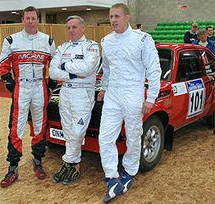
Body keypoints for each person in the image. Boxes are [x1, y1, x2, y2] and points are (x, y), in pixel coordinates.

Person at [97, 3, 161, 203]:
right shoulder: (106, 41)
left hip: (133, 93)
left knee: (133, 135)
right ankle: (111, 175)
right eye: (110, 16)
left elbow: (154, 69)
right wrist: (103, 88)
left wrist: (151, 97)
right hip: (113, 95)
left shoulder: (142, 39)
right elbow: (106, 68)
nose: (113, 20)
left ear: (127, 17)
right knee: (105, 137)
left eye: (116, 16)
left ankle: (129, 171)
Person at [0, 6, 56, 188]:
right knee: (16, 127)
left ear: (37, 20)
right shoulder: (11, 40)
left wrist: (50, 85)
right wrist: (10, 84)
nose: (30, 21)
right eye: (27, 18)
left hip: (39, 87)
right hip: (21, 87)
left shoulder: (48, 41)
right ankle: (13, 166)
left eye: (33, 18)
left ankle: (38, 161)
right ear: (22, 20)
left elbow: (54, 66)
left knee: (40, 125)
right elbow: (3, 65)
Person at [49, 15, 100, 185]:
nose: (71, 30)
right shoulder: (63, 47)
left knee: (78, 132)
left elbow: (87, 68)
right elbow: (52, 73)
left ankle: (67, 161)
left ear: (83, 28)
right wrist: (73, 73)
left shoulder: (91, 46)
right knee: (69, 131)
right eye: (69, 27)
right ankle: (74, 164)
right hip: (65, 93)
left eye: (74, 27)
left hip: (82, 95)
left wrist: (64, 66)